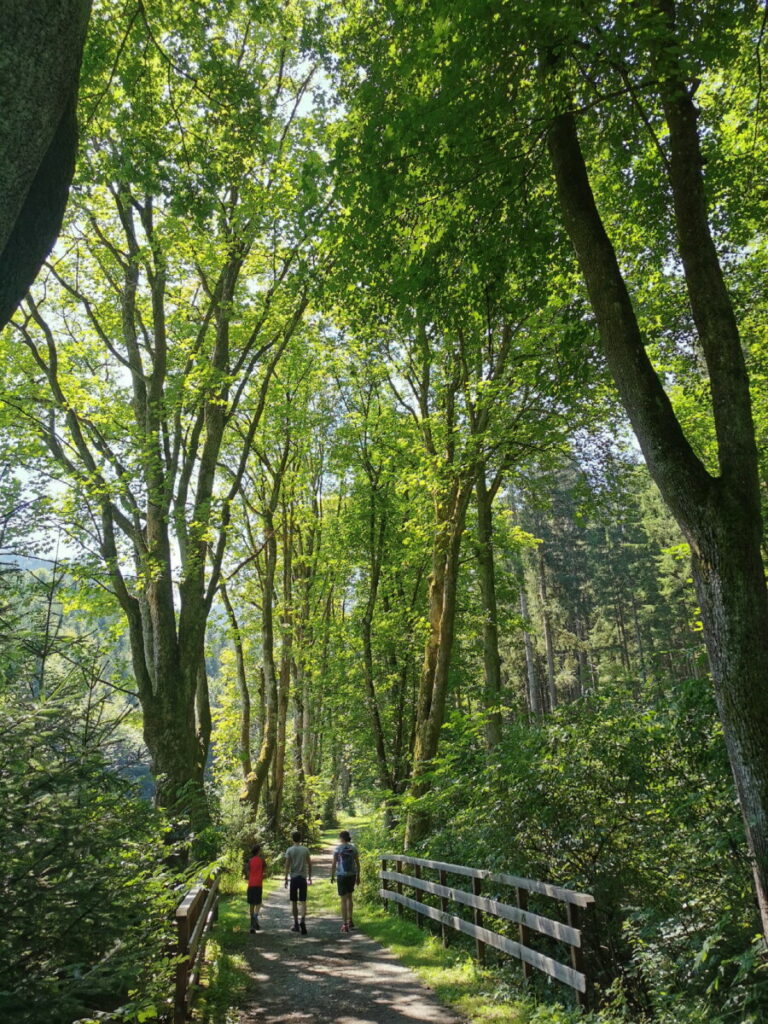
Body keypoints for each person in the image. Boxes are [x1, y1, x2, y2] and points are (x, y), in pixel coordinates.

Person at [330, 829, 360, 933]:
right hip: (352, 875)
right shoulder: (353, 848)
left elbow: (334, 863)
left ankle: (345, 924)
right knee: (350, 897)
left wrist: (332, 875)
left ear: (341, 838)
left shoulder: (337, 849)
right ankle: (350, 920)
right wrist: (358, 876)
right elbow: (357, 863)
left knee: (343, 899)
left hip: (341, 875)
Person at [284, 830, 312, 934]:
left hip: (294, 878)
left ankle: (296, 924)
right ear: (300, 838)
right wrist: (309, 876)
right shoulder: (305, 850)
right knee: (303, 901)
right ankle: (303, 920)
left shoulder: (289, 850)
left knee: (294, 901)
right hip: (303, 878)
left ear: (292, 838)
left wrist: (286, 878)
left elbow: (287, 865)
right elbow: (309, 864)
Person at [244, 843, 267, 933]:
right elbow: (264, 872)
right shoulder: (262, 861)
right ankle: (255, 918)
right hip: (258, 884)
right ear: (258, 851)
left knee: (251, 904)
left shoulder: (249, 861)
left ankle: (252, 924)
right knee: (258, 903)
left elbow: (248, 873)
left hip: (251, 884)